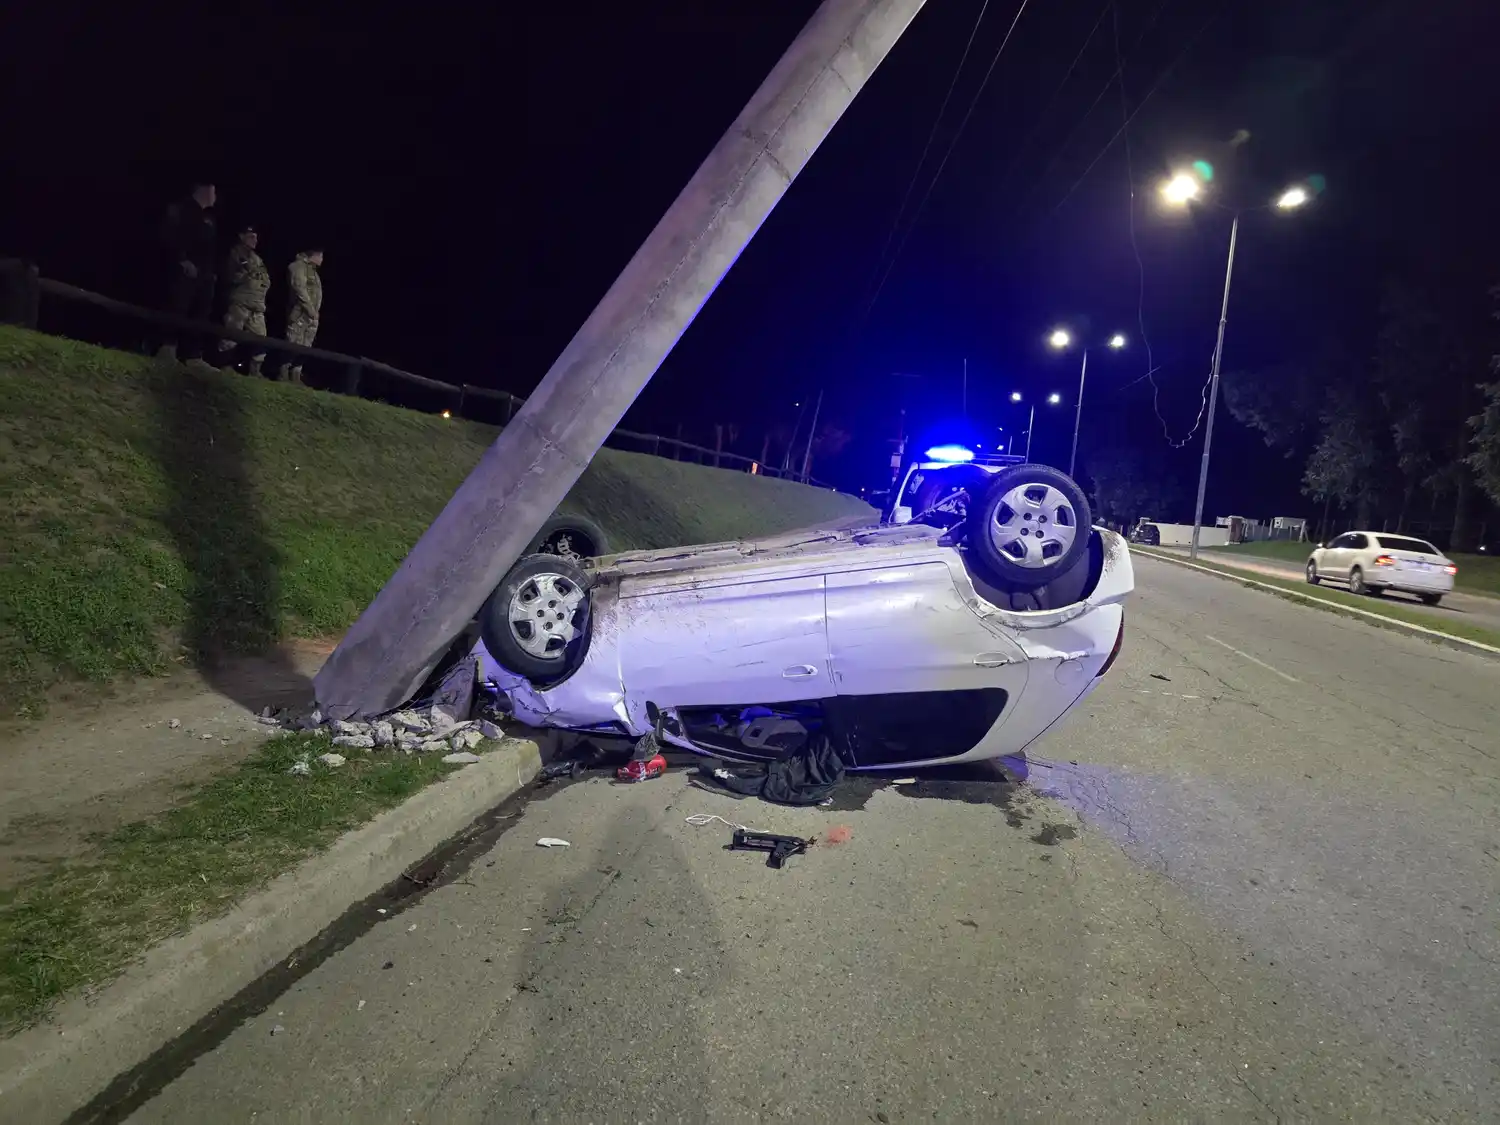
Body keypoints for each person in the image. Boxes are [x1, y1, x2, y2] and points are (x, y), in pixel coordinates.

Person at [158, 182, 218, 360]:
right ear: (205, 190)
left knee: (200, 315)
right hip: (184, 273)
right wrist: (182, 259)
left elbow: (210, 248)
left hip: (204, 275)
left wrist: (212, 273)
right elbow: (169, 236)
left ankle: (193, 356)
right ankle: (167, 348)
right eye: (214, 191)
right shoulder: (180, 209)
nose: (216, 196)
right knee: (178, 308)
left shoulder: (208, 217)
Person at [217, 225, 270, 375]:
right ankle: (225, 366)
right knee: (232, 335)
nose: (255, 240)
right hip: (240, 303)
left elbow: (264, 278)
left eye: (256, 237)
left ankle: (255, 371)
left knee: (261, 338)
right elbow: (230, 276)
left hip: (257, 305)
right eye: (251, 236)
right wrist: (245, 277)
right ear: (242, 236)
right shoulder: (235, 253)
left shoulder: (257, 259)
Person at [284, 247, 323, 382]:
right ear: (313, 255)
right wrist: (310, 310)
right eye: (320, 256)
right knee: (293, 344)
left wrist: (315, 313)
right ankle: (283, 374)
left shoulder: (314, 272)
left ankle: (296, 376)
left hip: (311, 317)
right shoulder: (297, 267)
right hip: (299, 314)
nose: (322, 259)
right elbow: (299, 290)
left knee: (305, 347)